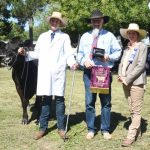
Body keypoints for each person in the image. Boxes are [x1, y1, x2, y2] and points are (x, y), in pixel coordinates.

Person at [18, 11, 77, 140]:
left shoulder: (65, 37)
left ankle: (61, 128)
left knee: (60, 100)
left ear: (60, 23)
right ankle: (42, 128)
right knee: (46, 101)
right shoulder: (42, 36)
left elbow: (68, 54)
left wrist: (72, 63)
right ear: (50, 22)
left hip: (58, 72)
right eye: (53, 20)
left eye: (57, 21)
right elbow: (37, 53)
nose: (54, 22)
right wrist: (25, 53)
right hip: (45, 73)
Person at [77, 9, 122, 140]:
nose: (96, 22)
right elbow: (79, 54)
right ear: (91, 22)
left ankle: (105, 129)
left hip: (104, 72)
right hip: (89, 73)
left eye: (99, 20)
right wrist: (84, 61)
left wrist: (108, 57)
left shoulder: (110, 36)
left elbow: (118, 52)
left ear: (103, 21)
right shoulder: (85, 36)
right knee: (89, 102)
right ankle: (91, 129)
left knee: (106, 103)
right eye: (94, 20)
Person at [118, 23, 148, 147]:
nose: (131, 35)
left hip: (136, 82)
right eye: (129, 33)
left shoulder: (142, 46)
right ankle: (138, 131)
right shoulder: (126, 48)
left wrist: (128, 78)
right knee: (131, 109)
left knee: (136, 110)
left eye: (133, 33)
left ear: (138, 35)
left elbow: (141, 66)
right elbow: (121, 63)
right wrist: (120, 75)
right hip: (125, 82)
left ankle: (130, 136)